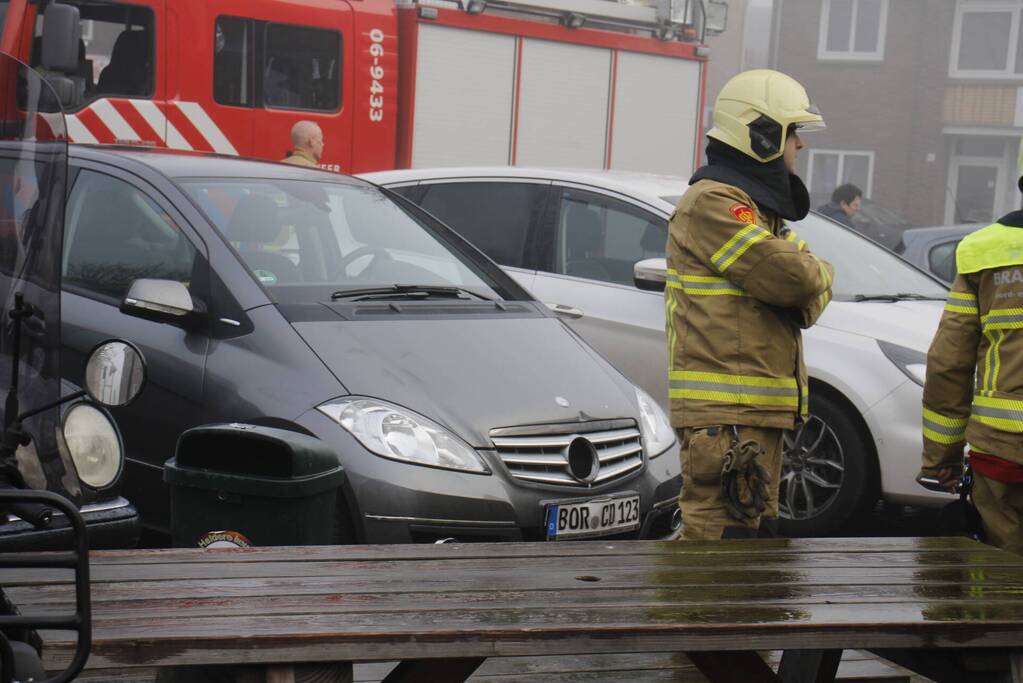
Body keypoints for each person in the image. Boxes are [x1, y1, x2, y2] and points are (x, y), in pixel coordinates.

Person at [666, 69, 834, 540]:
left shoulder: (758, 211)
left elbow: (800, 294)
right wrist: (814, 272)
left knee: (752, 557)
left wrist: (804, 280)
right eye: (792, 131)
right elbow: (797, 280)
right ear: (761, 134)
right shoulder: (714, 202)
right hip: (727, 422)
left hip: (752, 418)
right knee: (716, 558)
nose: (800, 144)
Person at [919, 167, 1023, 555]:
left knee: (999, 568)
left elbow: (949, 362)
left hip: (1003, 451)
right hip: (1002, 451)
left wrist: (941, 458)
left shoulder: (985, 253)